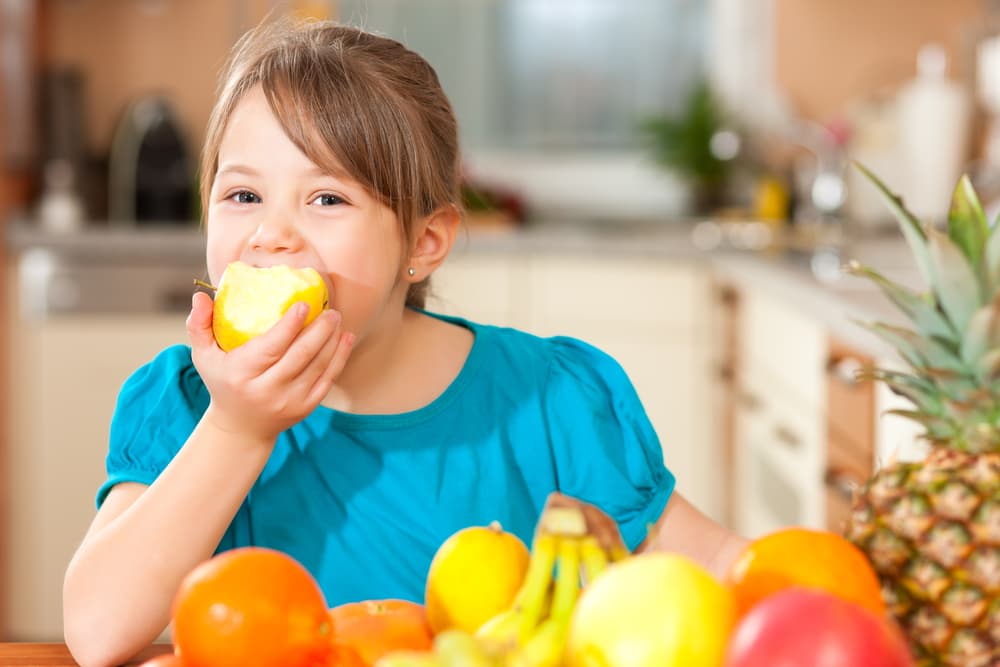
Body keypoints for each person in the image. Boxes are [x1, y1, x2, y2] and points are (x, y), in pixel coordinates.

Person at [62, 17, 747, 667]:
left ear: (424, 241)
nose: (272, 234)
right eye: (243, 195)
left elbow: (734, 577)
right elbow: (96, 631)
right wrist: (238, 428)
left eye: (326, 199)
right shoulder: (187, 406)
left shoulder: (550, 402)